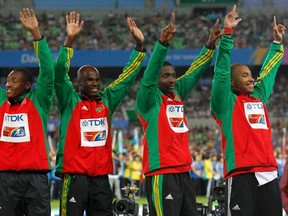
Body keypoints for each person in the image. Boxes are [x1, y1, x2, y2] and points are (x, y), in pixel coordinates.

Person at [54, 11, 146, 216]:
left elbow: (127, 78)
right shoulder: (69, 100)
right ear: (78, 82)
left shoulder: (106, 100)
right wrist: (69, 40)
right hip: (75, 177)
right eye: (89, 80)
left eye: (96, 80)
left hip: (101, 178)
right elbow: (59, 74)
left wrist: (139, 47)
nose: (95, 83)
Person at [135, 12, 222, 216]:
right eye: (166, 76)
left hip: (184, 172)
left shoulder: (177, 95)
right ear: (155, 80)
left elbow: (194, 71)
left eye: (173, 75)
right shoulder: (148, 101)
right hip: (162, 173)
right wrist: (161, 45)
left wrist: (209, 46)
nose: (172, 80)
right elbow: (148, 77)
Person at [210, 5, 286, 216]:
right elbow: (222, 73)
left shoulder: (258, 98)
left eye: (250, 74)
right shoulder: (225, 103)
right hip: (242, 174)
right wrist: (227, 34)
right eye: (244, 75)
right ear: (233, 84)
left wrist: (277, 43)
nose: (251, 77)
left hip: (269, 174)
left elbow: (268, 74)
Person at [0, 8, 54, 216]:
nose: (8, 84)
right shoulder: (1, 99)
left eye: (14, 80)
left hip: (36, 178)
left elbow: (48, 72)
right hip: (5, 178)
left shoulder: (38, 100)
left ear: (27, 85)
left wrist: (36, 35)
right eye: (7, 80)